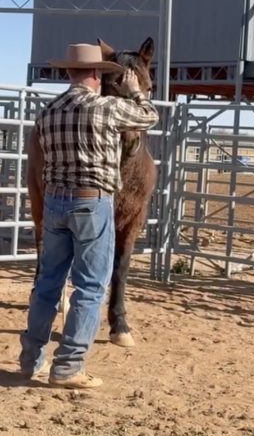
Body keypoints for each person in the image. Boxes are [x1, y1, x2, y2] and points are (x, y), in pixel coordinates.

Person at [19, 43, 159, 389]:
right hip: (92, 203)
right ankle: (68, 366)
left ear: (69, 72)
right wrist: (135, 92)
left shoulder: (48, 112)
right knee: (90, 286)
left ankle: (31, 359)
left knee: (48, 283)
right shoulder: (106, 108)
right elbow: (149, 117)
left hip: (55, 203)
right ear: (97, 74)